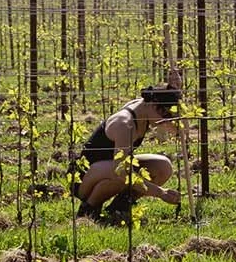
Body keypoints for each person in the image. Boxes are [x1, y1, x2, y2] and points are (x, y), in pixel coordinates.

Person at [75, 76, 184, 223]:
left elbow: (181, 131)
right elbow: (122, 171)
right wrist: (160, 193)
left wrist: (178, 95)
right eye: (164, 115)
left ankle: (119, 208)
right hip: (84, 177)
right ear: (153, 105)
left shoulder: (145, 106)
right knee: (122, 173)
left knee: (163, 166)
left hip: (110, 167)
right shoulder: (124, 124)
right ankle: (89, 209)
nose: (166, 122)